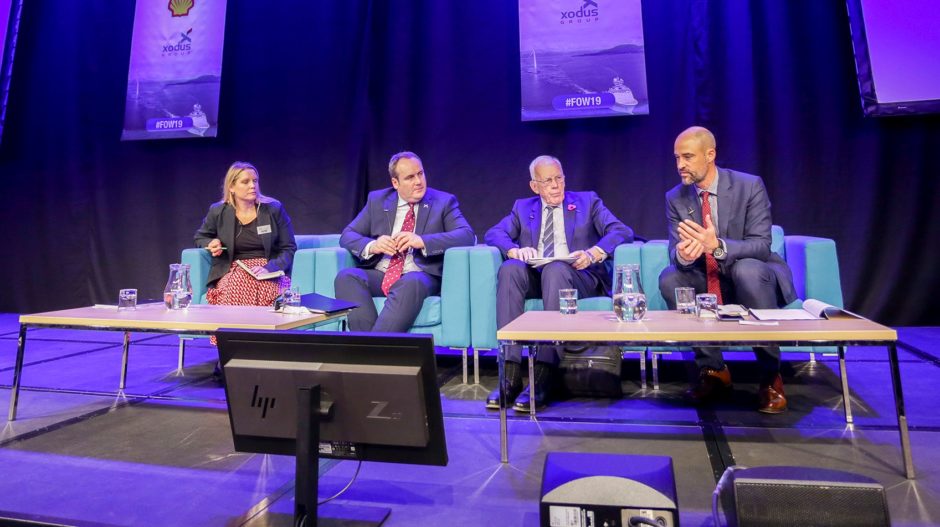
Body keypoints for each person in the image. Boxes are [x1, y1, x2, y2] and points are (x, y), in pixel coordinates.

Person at [658, 126, 797, 413]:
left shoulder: (749, 186)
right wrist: (683, 254)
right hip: (707, 276)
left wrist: (717, 245)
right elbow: (675, 250)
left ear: (710, 155)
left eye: (687, 157)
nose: (680, 165)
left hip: (753, 274)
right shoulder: (676, 197)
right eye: (676, 158)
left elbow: (761, 245)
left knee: (746, 269)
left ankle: (771, 376)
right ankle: (714, 371)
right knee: (671, 277)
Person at [484, 155, 633, 411]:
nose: (555, 186)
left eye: (559, 178)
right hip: (539, 274)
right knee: (510, 270)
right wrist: (513, 250)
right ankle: (509, 376)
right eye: (548, 181)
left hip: (579, 276)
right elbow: (494, 233)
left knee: (555, 268)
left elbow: (622, 231)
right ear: (535, 186)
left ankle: (545, 373)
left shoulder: (587, 201)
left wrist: (593, 253)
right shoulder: (522, 207)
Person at [334, 151, 475, 333]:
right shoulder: (377, 201)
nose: (418, 181)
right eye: (410, 177)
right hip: (383, 272)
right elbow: (347, 235)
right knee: (347, 277)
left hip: (421, 274)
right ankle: (369, 350)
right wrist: (373, 245)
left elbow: (467, 236)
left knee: (410, 282)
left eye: (420, 174)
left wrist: (422, 241)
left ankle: (371, 352)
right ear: (395, 183)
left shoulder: (443, 202)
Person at [194, 162, 297, 344]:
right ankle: (230, 351)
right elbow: (201, 236)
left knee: (254, 288)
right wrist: (211, 242)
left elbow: (288, 247)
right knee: (236, 286)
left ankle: (249, 348)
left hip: (268, 270)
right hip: (233, 268)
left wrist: (269, 268)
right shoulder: (218, 211)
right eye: (246, 182)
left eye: (255, 181)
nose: (252, 186)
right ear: (231, 187)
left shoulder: (273, 209)